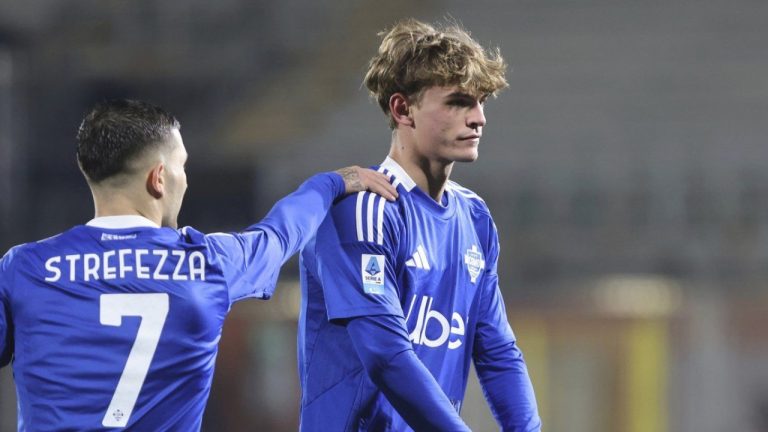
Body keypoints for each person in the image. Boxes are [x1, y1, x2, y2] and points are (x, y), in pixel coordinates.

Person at [0, 98, 397, 431]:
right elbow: (278, 235)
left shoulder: (25, 269)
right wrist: (329, 184)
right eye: (181, 166)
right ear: (159, 178)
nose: (184, 180)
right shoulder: (209, 265)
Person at [298, 19, 542, 431]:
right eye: (458, 102)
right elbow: (386, 355)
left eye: (481, 102)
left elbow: (499, 353)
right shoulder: (362, 211)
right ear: (402, 108)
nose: (479, 118)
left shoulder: (475, 217)